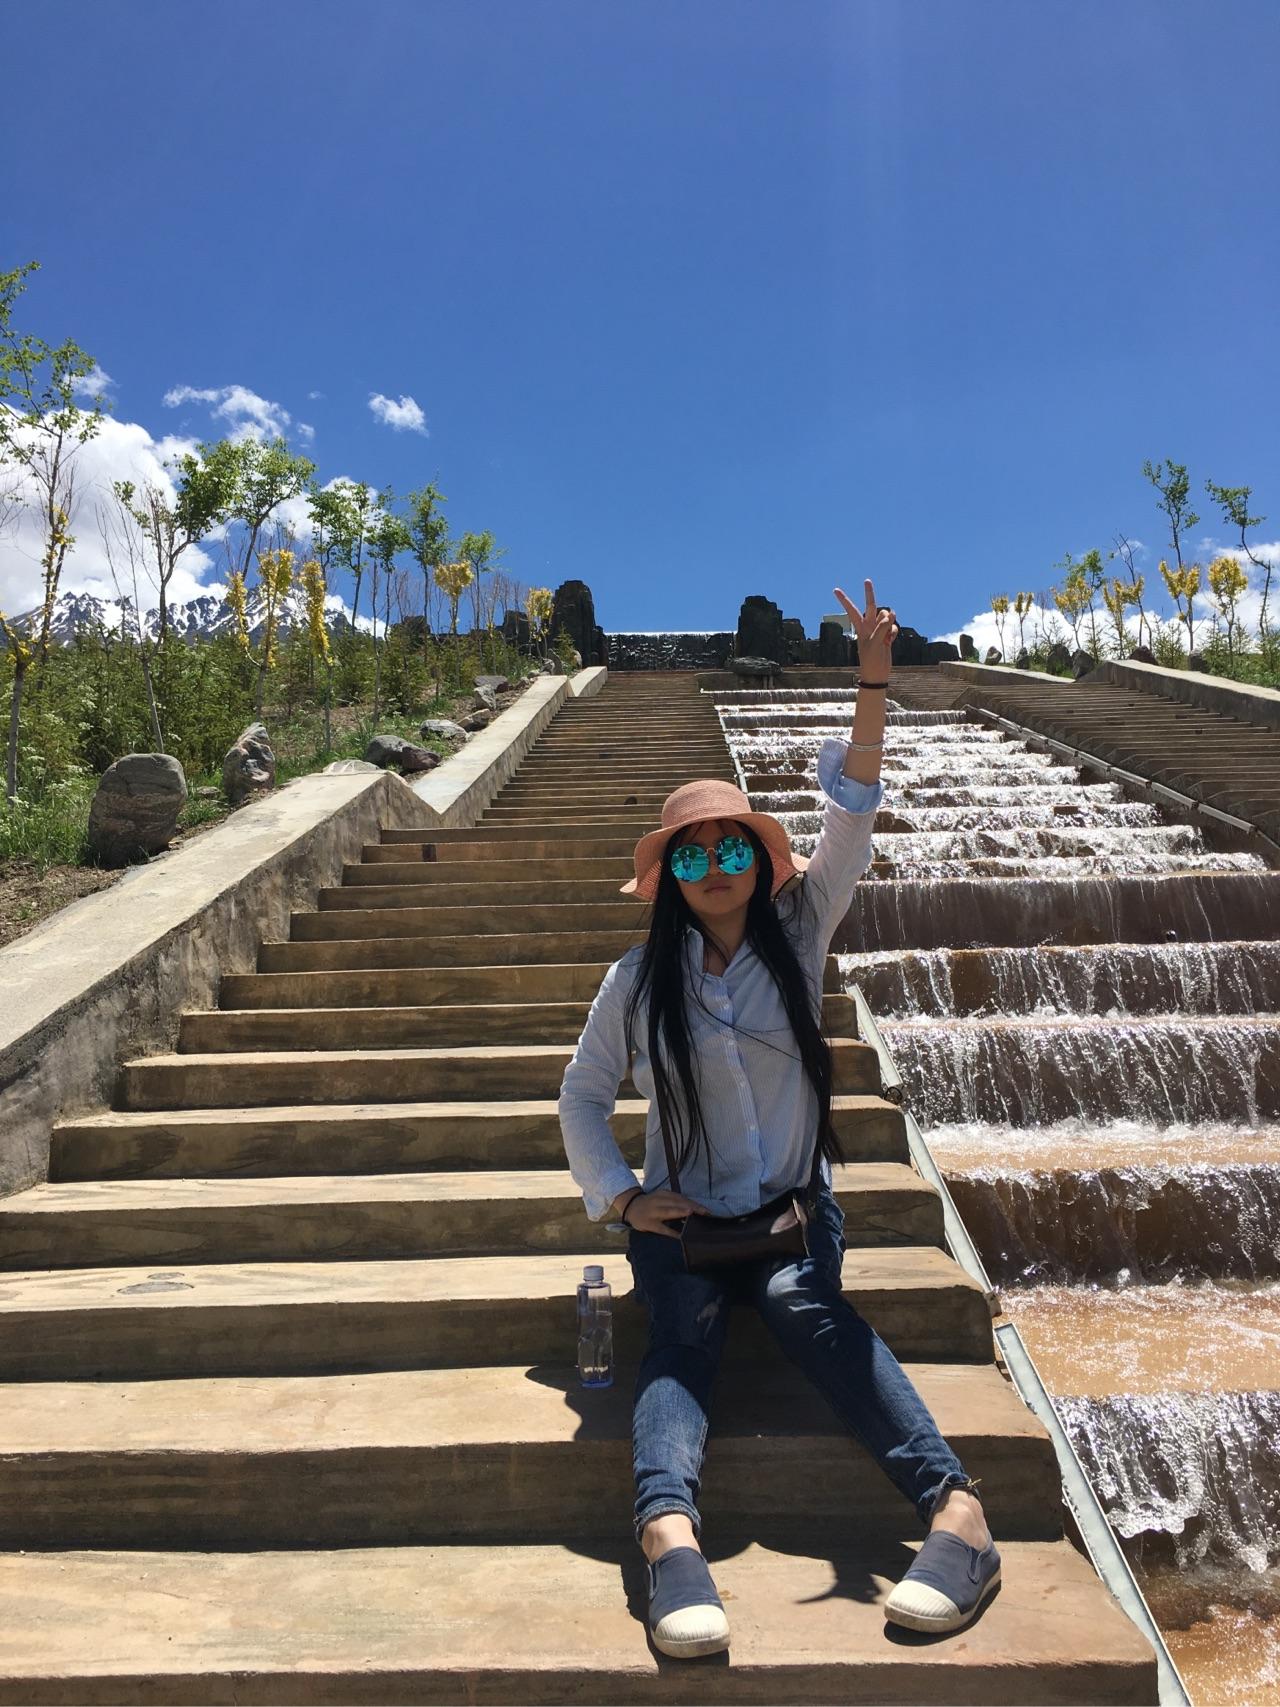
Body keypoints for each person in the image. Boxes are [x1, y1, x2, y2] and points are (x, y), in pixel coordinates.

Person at [557, 581, 1001, 1659]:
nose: (714, 869)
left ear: (761, 862)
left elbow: (851, 812)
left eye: (732, 849)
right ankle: (668, 1535)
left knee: (806, 1307)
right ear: (669, 878)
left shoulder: (799, 933)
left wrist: (871, 686)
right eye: (691, 855)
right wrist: (622, 1198)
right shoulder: (635, 980)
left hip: (794, 1213)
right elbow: (581, 1094)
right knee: (682, 1336)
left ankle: (957, 1514)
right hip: (686, 1223)